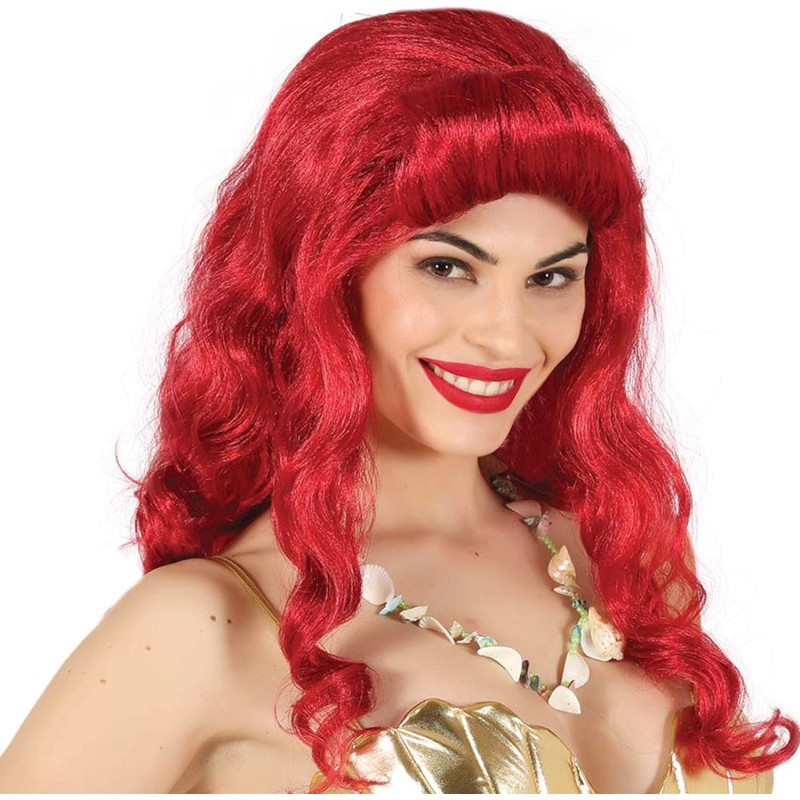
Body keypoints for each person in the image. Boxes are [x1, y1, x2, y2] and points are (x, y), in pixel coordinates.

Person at [0, 7, 796, 794]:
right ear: (320, 272)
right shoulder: (206, 628)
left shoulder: (623, 562)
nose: (507, 337)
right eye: (447, 267)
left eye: (551, 277)